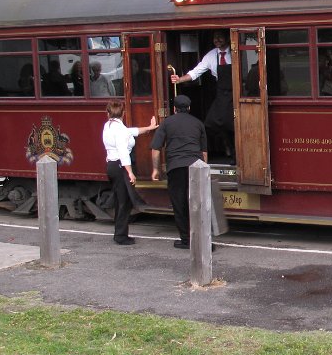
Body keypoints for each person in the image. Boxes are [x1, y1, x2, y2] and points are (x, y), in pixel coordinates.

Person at [150, 94, 208, 250]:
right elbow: (203, 152)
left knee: (179, 203)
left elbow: (156, 148)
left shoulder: (166, 123)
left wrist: (155, 169)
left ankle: (185, 239)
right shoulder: (198, 123)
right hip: (196, 167)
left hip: (175, 167)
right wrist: (204, 171)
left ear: (174, 109)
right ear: (189, 108)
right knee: (196, 203)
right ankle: (201, 239)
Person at [101, 101, 158, 246]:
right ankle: (120, 235)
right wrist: (130, 172)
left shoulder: (109, 126)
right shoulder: (119, 130)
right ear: (123, 113)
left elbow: (132, 131)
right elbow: (123, 152)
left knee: (122, 200)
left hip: (112, 166)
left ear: (108, 113)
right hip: (120, 165)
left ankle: (120, 233)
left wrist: (148, 128)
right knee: (124, 201)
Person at [172, 31, 235, 161]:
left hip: (236, 92)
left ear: (228, 38)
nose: (217, 40)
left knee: (233, 125)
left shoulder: (235, 51)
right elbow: (196, 72)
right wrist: (179, 80)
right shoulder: (211, 55)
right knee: (210, 123)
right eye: (215, 37)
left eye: (220, 37)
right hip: (222, 93)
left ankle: (236, 154)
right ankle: (225, 148)